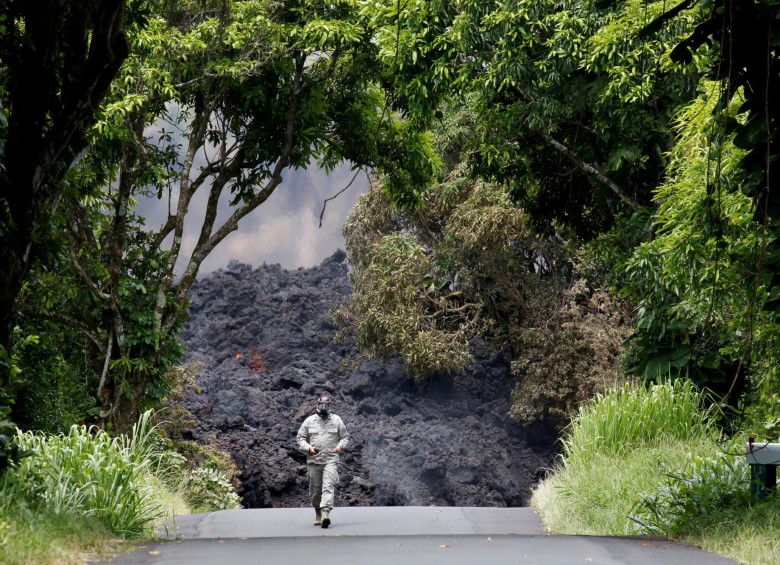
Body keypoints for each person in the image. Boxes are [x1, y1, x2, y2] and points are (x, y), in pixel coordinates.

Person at [296, 394, 349, 528]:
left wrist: (339, 446)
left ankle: (325, 513)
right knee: (315, 490)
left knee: (328, 486)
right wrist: (308, 447)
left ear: (330, 406)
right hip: (314, 461)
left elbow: (345, 437)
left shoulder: (337, 420)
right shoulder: (309, 421)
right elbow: (300, 438)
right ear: (317, 405)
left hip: (330, 460)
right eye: (321, 405)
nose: (323, 407)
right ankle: (318, 512)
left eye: (326, 405)